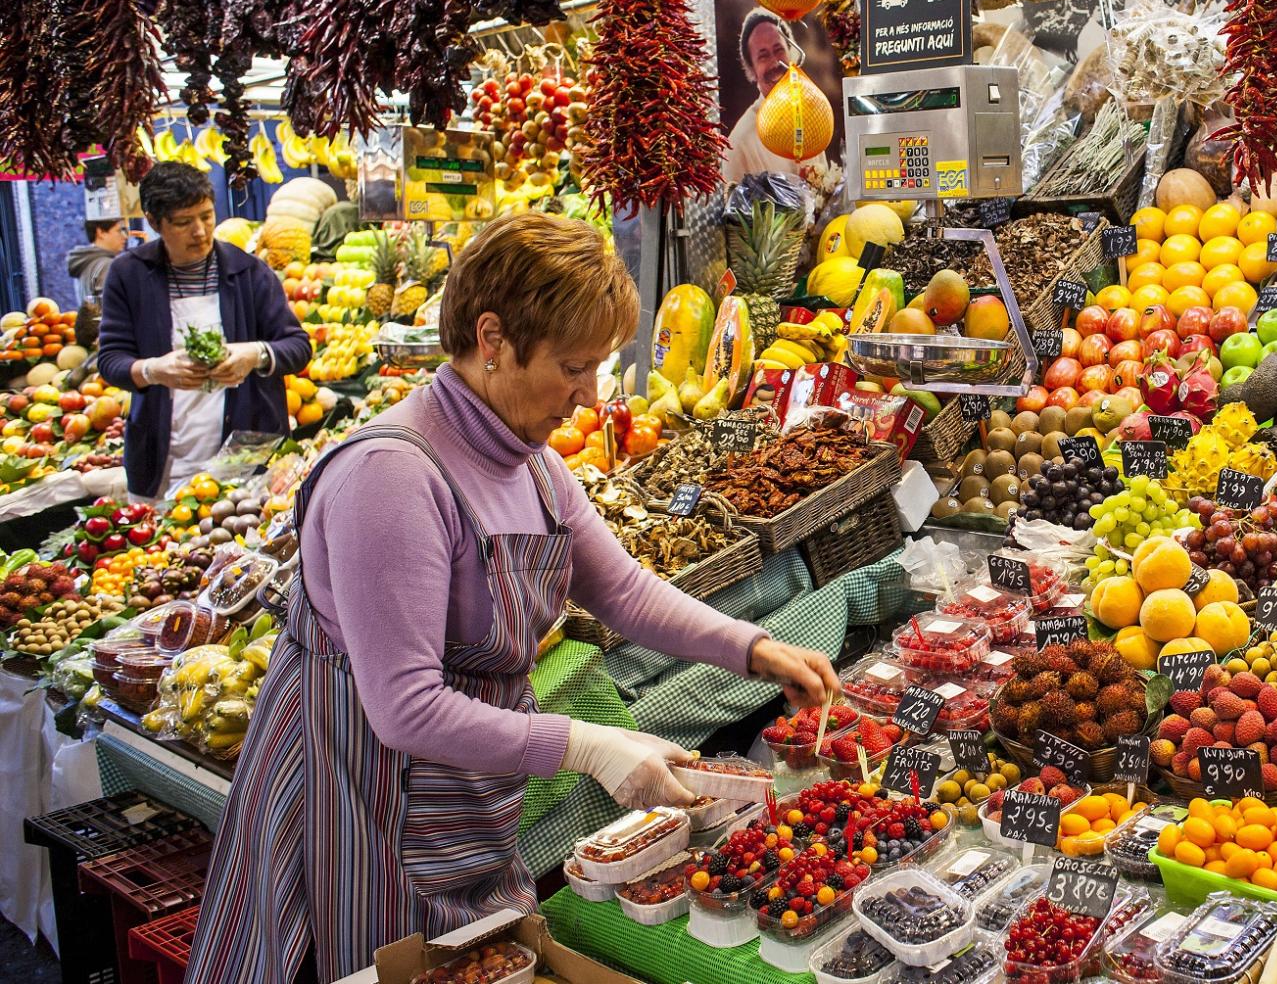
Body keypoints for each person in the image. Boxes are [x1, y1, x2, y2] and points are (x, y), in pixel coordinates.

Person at [183, 212, 841, 984]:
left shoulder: (529, 462)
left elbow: (622, 589)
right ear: (491, 339)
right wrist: (588, 745)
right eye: (573, 367)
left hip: (459, 799)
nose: (589, 395)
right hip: (357, 805)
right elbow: (404, 709)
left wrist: (753, 649)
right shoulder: (391, 479)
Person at [95, 162, 311, 500]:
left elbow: (298, 347)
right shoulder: (129, 274)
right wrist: (153, 370)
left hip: (244, 458)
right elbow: (110, 360)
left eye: (207, 216)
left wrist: (253, 354)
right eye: (183, 222)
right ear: (154, 222)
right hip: (163, 454)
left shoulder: (249, 271)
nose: (200, 231)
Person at [720, 8, 825, 184]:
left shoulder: (812, 116)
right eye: (763, 56)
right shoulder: (739, 144)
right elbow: (733, 208)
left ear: (791, 53)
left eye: (779, 49)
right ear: (752, 70)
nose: (775, 62)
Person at [66, 217, 127, 301]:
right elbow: (109, 306)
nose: (125, 236)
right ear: (100, 232)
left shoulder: (85, 261)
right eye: (119, 231)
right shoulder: (107, 265)